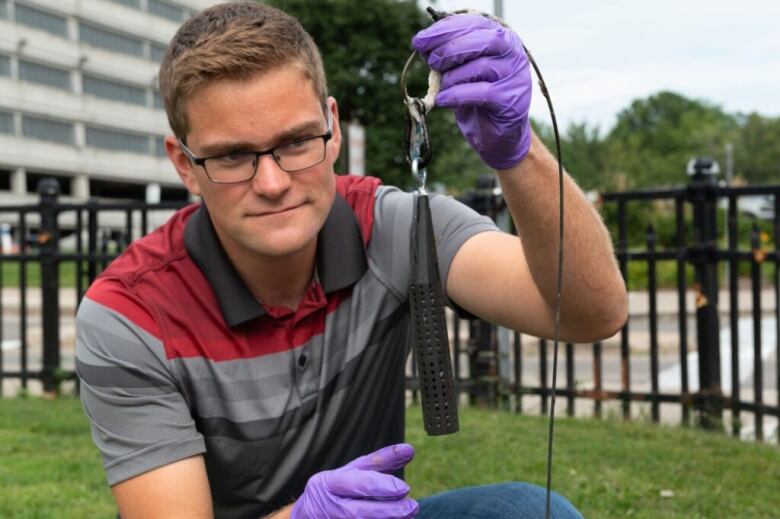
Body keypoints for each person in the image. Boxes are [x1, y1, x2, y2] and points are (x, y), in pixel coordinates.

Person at [75, 2, 627, 518]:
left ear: (333, 128)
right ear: (185, 164)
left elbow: (588, 313)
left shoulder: (393, 227)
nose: (272, 183)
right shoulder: (129, 314)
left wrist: (518, 151)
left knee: (525, 511)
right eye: (233, 155)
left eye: (296, 142)